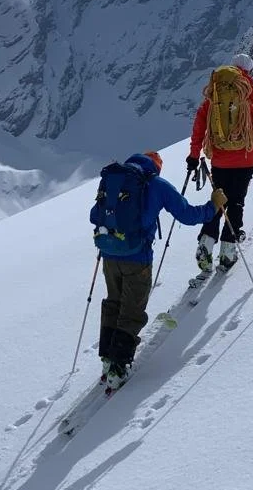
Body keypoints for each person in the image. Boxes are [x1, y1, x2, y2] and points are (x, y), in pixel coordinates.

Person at [93, 151, 227, 388]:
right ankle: (118, 367)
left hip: (109, 255)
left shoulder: (113, 180)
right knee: (131, 310)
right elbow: (186, 215)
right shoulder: (155, 184)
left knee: (113, 302)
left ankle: (107, 358)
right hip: (137, 257)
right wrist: (213, 207)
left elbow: (95, 214)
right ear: (156, 168)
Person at [186, 53, 253, 273]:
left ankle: (206, 243)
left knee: (218, 201)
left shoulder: (215, 92)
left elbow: (200, 125)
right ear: (249, 71)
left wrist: (193, 155)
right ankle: (228, 252)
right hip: (245, 159)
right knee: (236, 203)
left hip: (219, 159)